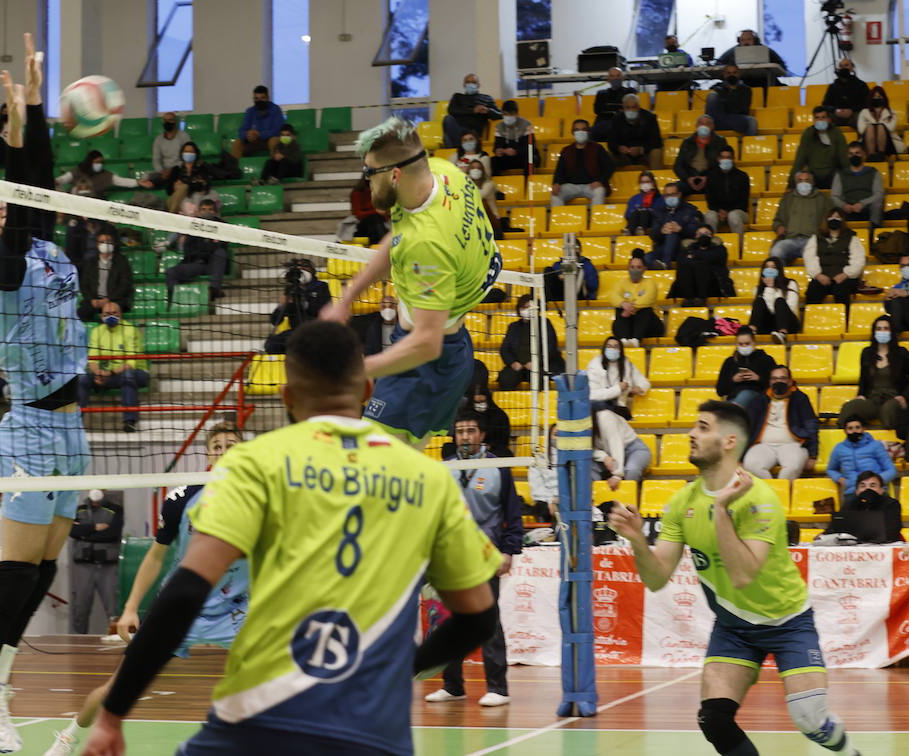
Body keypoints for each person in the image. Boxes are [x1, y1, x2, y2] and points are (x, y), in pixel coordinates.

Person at [78, 321, 501, 756]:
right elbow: (478, 620)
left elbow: (185, 592)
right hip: (374, 732)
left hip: (257, 722)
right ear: (368, 390)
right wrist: (406, 670)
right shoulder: (429, 479)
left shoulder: (255, 464)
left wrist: (114, 714)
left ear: (287, 396)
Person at [0, 34, 92, 753]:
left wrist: (34, 102)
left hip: (73, 428)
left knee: (40, 572)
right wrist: (10, 131)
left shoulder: (40, 244)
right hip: (32, 427)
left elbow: (34, 177)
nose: (9, 213)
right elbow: (17, 184)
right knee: (15, 571)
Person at [607, 401, 859, 756]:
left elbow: (742, 575)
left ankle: (849, 752)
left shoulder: (760, 499)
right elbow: (657, 578)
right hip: (734, 627)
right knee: (715, 720)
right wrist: (636, 540)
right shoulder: (682, 502)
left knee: (811, 721)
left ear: (729, 441)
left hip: (787, 622)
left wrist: (721, 509)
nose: (691, 434)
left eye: (703, 427)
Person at [43, 424, 248, 756]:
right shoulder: (183, 498)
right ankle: (68, 737)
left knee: (284, 678)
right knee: (118, 686)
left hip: (238, 608)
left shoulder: (263, 495)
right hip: (183, 605)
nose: (224, 450)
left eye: (232, 444)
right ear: (208, 454)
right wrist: (129, 608)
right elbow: (155, 557)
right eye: (217, 446)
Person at [320, 118, 500, 449]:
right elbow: (398, 238)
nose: (366, 184)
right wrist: (348, 298)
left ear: (395, 175)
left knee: (373, 472)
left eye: (369, 174)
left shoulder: (428, 246)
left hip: (427, 363)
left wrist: (355, 371)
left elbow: (427, 343)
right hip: (436, 348)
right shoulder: (442, 172)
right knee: (387, 479)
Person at [426, 414, 522, 708]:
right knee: (448, 621)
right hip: (451, 556)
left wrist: (508, 551)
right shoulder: (444, 470)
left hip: (486, 555)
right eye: (460, 432)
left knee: (487, 620)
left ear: (481, 435)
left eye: (470, 431)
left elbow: (512, 514)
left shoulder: (498, 468)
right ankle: (453, 686)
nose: (465, 436)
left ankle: (498, 688)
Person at [76, 301, 150, 433]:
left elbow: (130, 363)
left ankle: (129, 421)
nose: (111, 316)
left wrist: (108, 373)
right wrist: (98, 373)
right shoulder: (96, 332)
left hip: (136, 373)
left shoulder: (130, 330)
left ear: (120, 314)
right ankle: (76, 421)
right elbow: (92, 359)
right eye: (107, 314)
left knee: (128, 376)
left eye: (114, 313)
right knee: (82, 379)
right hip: (108, 375)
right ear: (101, 316)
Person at [587, 337, 651, 477]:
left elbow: (615, 442)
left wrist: (639, 388)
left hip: (628, 446)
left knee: (631, 470)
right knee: (588, 469)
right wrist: (618, 389)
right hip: (608, 451)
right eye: (609, 346)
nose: (612, 349)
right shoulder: (595, 365)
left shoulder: (626, 364)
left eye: (616, 346)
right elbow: (593, 394)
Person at [839, 315, 909, 429]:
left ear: (891, 332)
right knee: (849, 407)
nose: (882, 331)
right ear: (874, 332)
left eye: (886, 328)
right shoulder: (867, 353)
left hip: (894, 398)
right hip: (873, 398)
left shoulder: (902, 353)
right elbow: (863, 378)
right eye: (879, 329)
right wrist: (860, 395)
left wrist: (904, 396)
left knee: (888, 411)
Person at [742, 367, 817, 480]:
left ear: (790, 381)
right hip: (763, 445)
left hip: (793, 444)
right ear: (770, 382)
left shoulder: (800, 398)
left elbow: (811, 426)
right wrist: (739, 457)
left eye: (782, 378)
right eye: (774, 378)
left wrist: (812, 455)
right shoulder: (759, 400)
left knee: (793, 466)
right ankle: (772, 495)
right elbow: (747, 428)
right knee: (751, 465)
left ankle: (781, 494)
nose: (778, 381)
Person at [69, 490, 124, 635]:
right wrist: (94, 528)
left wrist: (84, 534)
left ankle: (117, 637)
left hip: (108, 566)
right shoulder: (78, 510)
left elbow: (113, 533)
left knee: (113, 607)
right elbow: (71, 530)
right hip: (83, 565)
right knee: (80, 607)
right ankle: (77, 641)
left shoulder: (116, 510)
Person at [164, 198, 230, 304]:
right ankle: (172, 299)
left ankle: (214, 289)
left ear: (215, 211)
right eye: (203, 209)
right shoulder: (192, 226)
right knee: (170, 272)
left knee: (220, 253)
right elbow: (188, 248)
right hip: (196, 263)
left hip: (213, 265)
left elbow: (222, 246)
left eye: (210, 209)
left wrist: (204, 248)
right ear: (199, 211)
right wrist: (208, 245)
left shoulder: (223, 226)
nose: (207, 212)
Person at [263, 259, 332, 355]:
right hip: (296, 333)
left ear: (312, 270)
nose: (301, 270)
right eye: (299, 268)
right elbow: (275, 321)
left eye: (305, 267)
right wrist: (282, 305)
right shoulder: (291, 290)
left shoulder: (322, 287)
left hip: (317, 330)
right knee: (271, 344)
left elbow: (321, 311)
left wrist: (302, 300)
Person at [498, 294, 562, 390]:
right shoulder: (513, 326)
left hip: (539, 366)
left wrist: (536, 362)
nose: (526, 310)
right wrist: (512, 363)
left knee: (538, 379)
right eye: (524, 307)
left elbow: (551, 347)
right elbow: (505, 349)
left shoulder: (545, 324)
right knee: (505, 379)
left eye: (529, 307)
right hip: (518, 366)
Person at [825, 417, 896, 502]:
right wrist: (841, 479)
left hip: (876, 490)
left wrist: (876, 481)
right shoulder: (839, 448)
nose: (854, 431)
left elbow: (891, 470)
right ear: (845, 431)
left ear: (863, 429)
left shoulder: (876, 445)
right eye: (850, 428)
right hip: (852, 490)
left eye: (857, 427)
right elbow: (831, 469)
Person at [803, 209, 864, 306]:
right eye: (831, 217)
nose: (834, 219)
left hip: (845, 277)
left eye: (837, 217)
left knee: (841, 292)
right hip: (822, 276)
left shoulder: (852, 237)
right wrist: (818, 275)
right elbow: (809, 257)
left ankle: (845, 320)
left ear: (842, 220)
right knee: (812, 291)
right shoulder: (816, 238)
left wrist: (845, 274)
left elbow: (858, 259)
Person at [771, 170, 833, 264]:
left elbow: (833, 219)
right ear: (796, 183)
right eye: (800, 181)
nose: (803, 183)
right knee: (776, 252)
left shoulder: (823, 199)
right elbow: (777, 220)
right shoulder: (787, 199)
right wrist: (779, 226)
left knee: (820, 256)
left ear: (813, 182)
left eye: (807, 180)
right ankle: (781, 279)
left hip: (813, 241)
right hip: (790, 239)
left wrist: (825, 228)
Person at [824, 471, 904, 544]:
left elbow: (893, 530)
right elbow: (836, 527)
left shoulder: (891, 504)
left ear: (881, 490)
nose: (867, 489)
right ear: (857, 491)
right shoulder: (850, 504)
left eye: (873, 486)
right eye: (862, 486)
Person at [551, 119, 613, 206]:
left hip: (591, 185)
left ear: (588, 132)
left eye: (583, 129)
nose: (580, 132)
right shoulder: (566, 150)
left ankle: (595, 218)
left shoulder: (597, 148)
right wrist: (556, 183)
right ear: (572, 132)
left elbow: (609, 167)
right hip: (571, 186)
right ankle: (558, 219)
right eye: (577, 130)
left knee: (600, 191)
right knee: (555, 194)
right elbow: (559, 170)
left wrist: (600, 181)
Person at [76, 231, 135, 322]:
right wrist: (92, 300)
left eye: (108, 241)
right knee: (80, 314)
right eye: (102, 242)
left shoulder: (121, 261)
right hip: (94, 301)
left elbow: (125, 284)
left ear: (113, 244)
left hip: (116, 300)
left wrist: (108, 300)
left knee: (110, 312)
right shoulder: (90, 262)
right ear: (97, 244)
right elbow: (84, 285)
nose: (105, 244)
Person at [717, 327, 777, 415]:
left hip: (759, 399)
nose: (744, 346)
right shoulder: (730, 362)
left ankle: (730, 413)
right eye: (741, 344)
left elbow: (775, 385)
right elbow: (720, 391)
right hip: (734, 398)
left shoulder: (766, 360)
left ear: (754, 342)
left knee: (745, 394)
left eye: (747, 343)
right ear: (736, 344)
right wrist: (733, 380)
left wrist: (759, 378)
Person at [670, 222, 734, 305]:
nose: (703, 236)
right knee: (684, 267)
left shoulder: (719, 248)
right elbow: (681, 261)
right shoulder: (688, 248)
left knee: (701, 265)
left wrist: (694, 256)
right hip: (690, 284)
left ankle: (701, 298)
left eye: (706, 233)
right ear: (696, 237)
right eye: (700, 234)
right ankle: (688, 298)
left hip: (713, 285)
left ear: (711, 236)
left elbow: (714, 258)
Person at [787, 106, 849, 189]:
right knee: (804, 179)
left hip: (832, 173)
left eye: (823, 117)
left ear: (829, 119)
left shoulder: (837, 133)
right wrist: (790, 185)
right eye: (817, 118)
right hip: (814, 174)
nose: (820, 120)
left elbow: (844, 157)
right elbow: (800, 159)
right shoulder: (808, 134)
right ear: (814, 120)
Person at [609, 253, 664, 344]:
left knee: (645, 309)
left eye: (638, 267)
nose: (635, 270)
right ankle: (624, 340)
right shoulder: (621, 283)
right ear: (628, 268)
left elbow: (648, 299)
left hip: (650, 325)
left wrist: (630, 307)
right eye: (632, 267)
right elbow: (613, 297)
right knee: (619, 308)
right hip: (629, 323)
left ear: (644, 269)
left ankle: (636, 340)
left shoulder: (650, 282)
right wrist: (623, 304)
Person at [647, 181, 701, 269]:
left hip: (683, 248)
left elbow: (696, 230)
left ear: (679, 194)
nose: (670, 197)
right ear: (664, 197)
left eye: (673, 194)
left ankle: (665, 264)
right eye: (667, 195)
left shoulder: (689, 209)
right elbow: (653, 235)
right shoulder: (658, 211)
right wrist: (661, 231)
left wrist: (681, 229)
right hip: (663, 247)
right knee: (647, 258)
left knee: (672, 234)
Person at [830, 142, 885, 228]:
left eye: (857, 153)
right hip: (847, 207)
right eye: (851, 154)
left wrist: (862, 203)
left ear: (864, 155)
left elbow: (879, 194)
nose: (854, 156)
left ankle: (873, 232)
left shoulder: (873, 172)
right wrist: (843, 205)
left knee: (877, 204)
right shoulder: (840, 174)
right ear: (847, 156)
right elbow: (835, 196)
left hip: (867, 207)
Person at [442, 72, 502, 147]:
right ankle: (461, 147)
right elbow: (451, 110)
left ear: (478, 85)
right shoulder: (457, 97)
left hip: (474, 131)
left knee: (447, 138)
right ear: (464, 85)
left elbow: (500, 115)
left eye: (473, 82)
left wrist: (488, 110)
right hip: (458, 129)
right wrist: (473, 110)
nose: (470, 84)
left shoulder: (486, 98)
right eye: (468, 82)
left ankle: (459, 148)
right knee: (448, 119)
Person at [750, 258, 801, 344]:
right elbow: (765, 311)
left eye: (773, 267)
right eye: (767, 267)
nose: (770, 270)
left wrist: (774, 288)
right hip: (768, 325)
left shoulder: (790, 284)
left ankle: (782, 334)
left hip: (788, 322)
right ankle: (751, 331)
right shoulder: (758, 289)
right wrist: (769, 288)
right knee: (759, 301)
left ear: (779, 270)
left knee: (780, 301)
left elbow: (790, 308)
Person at [703, 145, 750, 235]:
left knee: (733, 216)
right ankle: (712, 245)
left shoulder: (743, 176)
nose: (725, 160)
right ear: (718, 159)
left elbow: (744, 202)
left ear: (733, 159)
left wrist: (728, 212)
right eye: (723, 157)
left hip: (739, 211)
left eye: (728, 157)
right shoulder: (711, 176)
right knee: (709, 216)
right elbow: (710, 201)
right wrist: (719, 211)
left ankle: (739, 246)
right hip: (718, 212)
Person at [607, 93, 663, 169]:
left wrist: (641, 149)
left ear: (638, 107)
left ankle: (656, 179)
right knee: (608, 155)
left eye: (633, 107)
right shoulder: (616, 119)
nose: (631, 110)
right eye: (627, 107)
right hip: (623, 155)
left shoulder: (650, 118)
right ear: (623, 108)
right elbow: (611, 142)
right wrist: (618, 148)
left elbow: (657, 141)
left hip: (644, 153)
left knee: (656, 152)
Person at [674, 115, 726, 196]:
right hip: (690, 179)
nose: (704, 126)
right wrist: (688, 178)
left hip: (711, 180)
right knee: (674, 190)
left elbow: (722, 164)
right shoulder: (687, 142)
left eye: (707, 124)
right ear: (697, 126)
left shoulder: (720, 142)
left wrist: (708, 178)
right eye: (701, 123)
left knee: (722, 187)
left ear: (713, 126)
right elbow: (678, 165)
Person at [717, 28, 789, 83]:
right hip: (741, 82)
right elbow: (718, 63)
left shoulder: (766, 50)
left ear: (755, 40)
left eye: (748, 39)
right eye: (742, 40)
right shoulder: (732, 52)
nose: (746, 42)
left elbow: (782, 66)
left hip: (764, 81)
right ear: (739, 41)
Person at [234, 85, 287, 158]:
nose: (259, 101)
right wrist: (247, 135)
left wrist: (259, 134)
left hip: (269, 140)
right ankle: (235, 168)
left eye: (262, 98)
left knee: (273, 141)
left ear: (268, 98)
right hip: (254, 142)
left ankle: (274, 167)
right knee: (237, 143)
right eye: (256, 98)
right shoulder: (250, 111)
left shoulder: (275, 109)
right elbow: (241, 131)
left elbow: (278, 130)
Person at [704, 64, 758, 136]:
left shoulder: (746, 90)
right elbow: (712, 112)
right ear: (724, 75)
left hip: (735, 119)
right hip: (717, 120)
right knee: (711, 96)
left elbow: (742, 109)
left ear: (739, 74)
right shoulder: (717, 89)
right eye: (728, 73)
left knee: (752, 121)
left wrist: (724, 103)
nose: (731, 75)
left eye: (734, 73)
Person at [55, 150, 136, 197]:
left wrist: (137, 182)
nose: (99, 165)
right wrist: (56, 181)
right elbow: (64, 179)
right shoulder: (78, 171)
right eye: (96, 162)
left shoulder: (105, 175)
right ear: (89, 162)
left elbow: (121, 181)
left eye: (101, 162)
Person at [489, 99, 536, 176]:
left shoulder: (527, 125)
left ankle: (527, 184)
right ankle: (497, 184)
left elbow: (531, 148)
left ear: (517, 114)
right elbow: (496, 146)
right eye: (505, 114)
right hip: (508, 158)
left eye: (511, 114)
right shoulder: (499, 127)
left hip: (523, 157)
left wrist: (516, 152)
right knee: (493, 161)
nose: (508, 117)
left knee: (530, 159)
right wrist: (498, 151)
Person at [856, 85, 903, 158]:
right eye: (875, 96)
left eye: (879, 96)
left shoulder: (891, 112)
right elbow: (861, 130)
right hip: (867, 140)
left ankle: (880, 155)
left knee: (881, 127)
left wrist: (879, 123)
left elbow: (891, 128)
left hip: (888, 141)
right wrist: (873, 125)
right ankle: (872, 156)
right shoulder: (864, 112)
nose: (877, 98)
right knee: (869, 127)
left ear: (884, 98)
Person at [591, 67, 637, 138]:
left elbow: (630, 109)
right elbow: (597, 110)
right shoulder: (601, 94)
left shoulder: (630, 91)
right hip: (604, 123)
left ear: (622, 78)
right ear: (608, 79)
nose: (615, 78)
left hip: (623, 121)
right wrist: (618, 108)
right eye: (612, 76)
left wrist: (609, 108)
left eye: (618, 76)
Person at [824, 58, 869, 127]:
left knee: (862, 119)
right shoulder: (833, 86)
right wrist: (836, 110)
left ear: (852, 68)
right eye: (841, 66)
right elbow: (825, 104)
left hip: (854, 115)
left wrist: (851, 110)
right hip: (837, 116)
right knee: (823, 120)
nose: (843, 68)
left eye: (846, 65)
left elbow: (867, 104)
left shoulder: (861, 85)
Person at [624, 171, 660, 235]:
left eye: (648, 182)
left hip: (652, 223)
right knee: (636, 212)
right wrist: (638, 211)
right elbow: (627, 214)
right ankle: (632, 230)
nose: (645, 184)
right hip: (635, 221)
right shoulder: (634, 198)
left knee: (645, 212)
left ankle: (639, 230)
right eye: (642, 182)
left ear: (653, 183)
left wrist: (648, 210)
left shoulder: (660, 198)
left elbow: (661, 214)